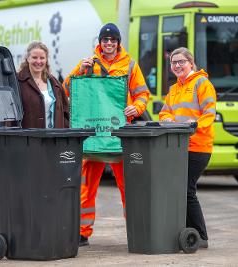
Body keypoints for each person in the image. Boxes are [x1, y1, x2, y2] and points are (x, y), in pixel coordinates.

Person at [63, 23, 150, 246]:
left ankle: (136, 230)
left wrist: (137, 108)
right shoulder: (88, 64)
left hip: (120, 136)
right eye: (105, 40)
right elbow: (64, 90)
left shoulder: (130, 65)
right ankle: (82, 232)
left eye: (113, 40)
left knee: (127, 186)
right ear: (99, 43)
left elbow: (142, 94)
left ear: (118, 42)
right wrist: (78, 72)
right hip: (93, 136)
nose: (109, 43)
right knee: (86, 187)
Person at [159, 47, 216, 249]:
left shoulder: (202, 83)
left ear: (191, 63)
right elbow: (164, 113)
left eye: (181, 62)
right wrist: (171, 122)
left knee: (186, 189)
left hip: (198, 147)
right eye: (174, 63)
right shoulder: (174, 89)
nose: (177, 65)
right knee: (180, 189)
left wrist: (194, 125)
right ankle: (189, 231)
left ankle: (201, 235)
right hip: (178, 147)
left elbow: (210, 113)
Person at [17, 41, 69, 128]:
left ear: (46, 60)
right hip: (29, 140)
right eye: (34, 57)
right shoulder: (18, 81)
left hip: (54, 139)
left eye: (42, 58)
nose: (38, 61)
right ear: (28, 58)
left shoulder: (55, 84)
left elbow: (65, 113)